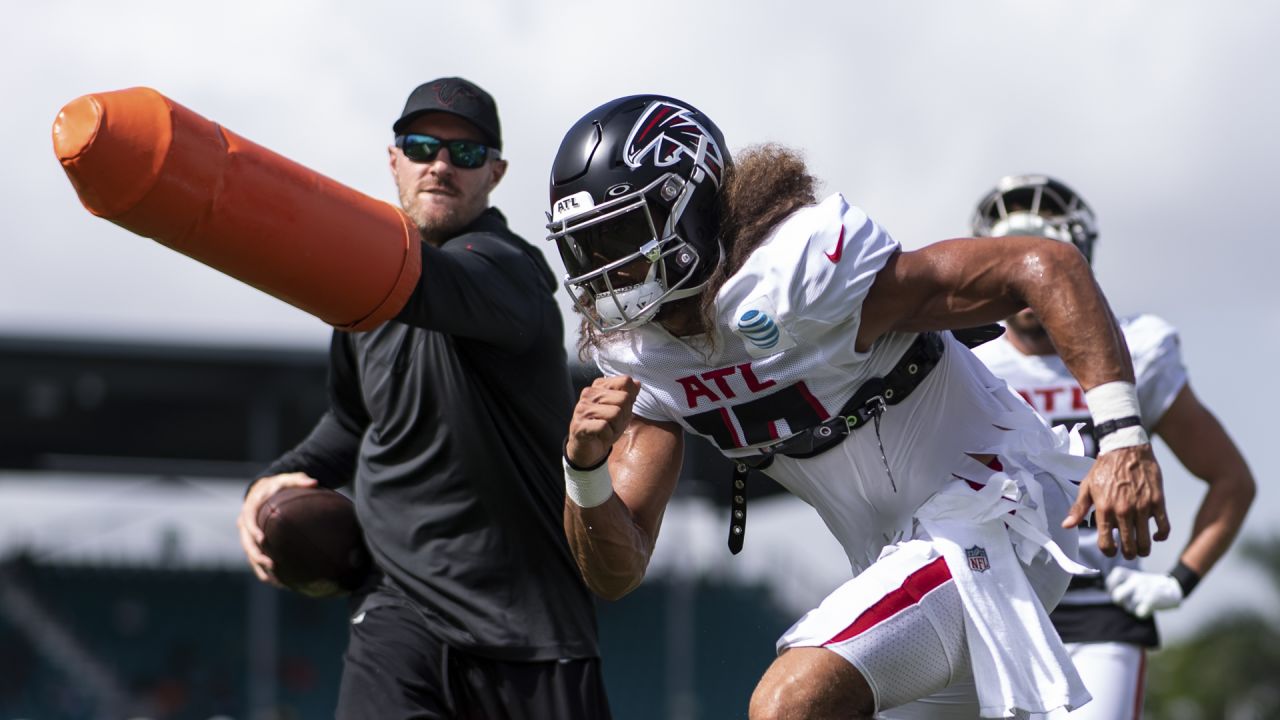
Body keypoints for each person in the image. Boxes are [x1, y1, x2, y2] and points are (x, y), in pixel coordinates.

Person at [545, 95, 1171, 719]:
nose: (606, 266)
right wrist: (584, 472)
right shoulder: (641, 357)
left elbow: (1046, 264)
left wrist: (1122, 438)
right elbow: (615, 574)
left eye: (620, 233)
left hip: (993, 515)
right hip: (896, 564)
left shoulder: (798, 278)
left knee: (789, 703)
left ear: (690, 204)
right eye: (585, 246)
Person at [235, 77, 611, 719]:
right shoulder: (362, 303)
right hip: (397, 612)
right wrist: (269, 484)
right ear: (394, 160)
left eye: (464, 154)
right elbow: (356, 422)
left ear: (495, 172)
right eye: (421, 146)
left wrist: (249, 207)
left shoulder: (509, 274)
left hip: (531, 629)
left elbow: (433, 282)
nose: (440, 165)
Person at [969, 174, 1255, 719]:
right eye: (1016, 254)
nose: (1031, 271)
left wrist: (1179, 581)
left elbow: (1231, 480)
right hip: (995, 607)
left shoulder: (1137, 349)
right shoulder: (962, 360)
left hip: (1101, 616)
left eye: (1045, 253)